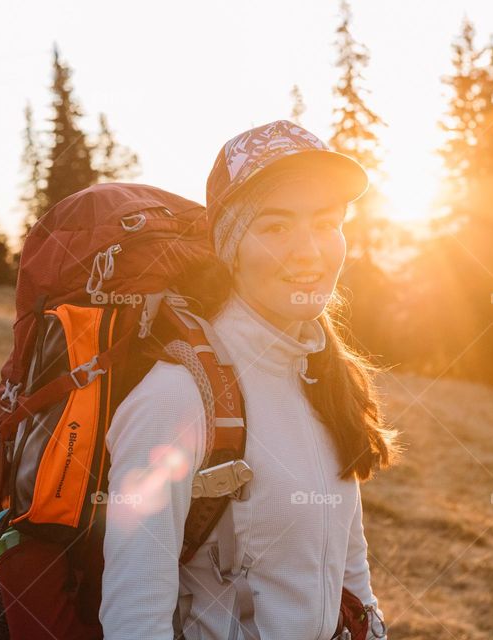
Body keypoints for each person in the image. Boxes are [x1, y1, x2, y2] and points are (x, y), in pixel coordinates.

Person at [100, 120, 402, 639]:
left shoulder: (328, 375)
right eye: (276, 226)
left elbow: (349, 566)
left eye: (327, 222)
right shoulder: (175, 400)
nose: (309, 250)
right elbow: (135, 614)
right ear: (230, 246)